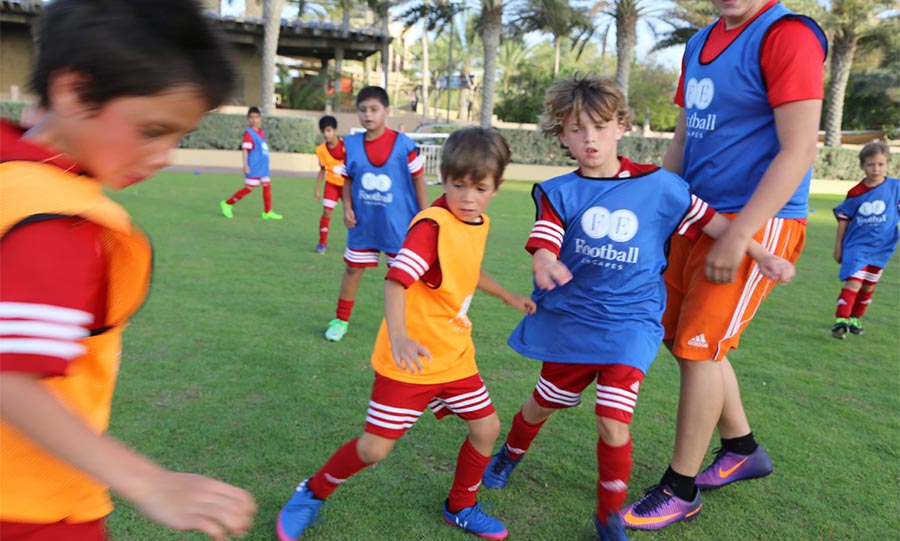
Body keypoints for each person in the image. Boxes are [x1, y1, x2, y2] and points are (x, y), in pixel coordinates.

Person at [479, 73, 796, 541]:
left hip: (632, 323)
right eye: (576, 129)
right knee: (543, 403)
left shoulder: (661, 186)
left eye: (600, 126)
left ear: (621, 126)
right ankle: (510, 453)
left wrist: (762, 254)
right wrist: (545, 259)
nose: (589, 139)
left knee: (613, 420)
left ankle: (608, 515)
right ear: (561, 136)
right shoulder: (558, 192)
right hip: (573, 321)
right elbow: (545, 238)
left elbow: (714, 224)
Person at [0, 1, 257, 540]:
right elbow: (10, 380)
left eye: (178, 136)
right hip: (33, 511)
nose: (165, 155)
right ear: (74, 92)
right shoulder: (57, 223)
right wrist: (147, 482)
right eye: (152, 130)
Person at [620, 0, 826, 530]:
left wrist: (740, 235)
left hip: (757, 220)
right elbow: (683, 140)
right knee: (681, 339)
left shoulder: (787, 35)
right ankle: (741, 449)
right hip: (700, 215)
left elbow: (800, 150)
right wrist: (658, 213)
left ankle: (680, 488)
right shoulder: (698, 43)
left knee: (699, 347)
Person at [277, 127, 536, 541]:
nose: (468, 198)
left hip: (453, 355)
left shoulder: (477, 221)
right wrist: (398, 337)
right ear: (443, 179)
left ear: (497, 187)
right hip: (409, 361)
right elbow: (396, 282)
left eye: (480, 188)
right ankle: (312, 491)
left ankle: (460, 506)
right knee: (373, 448)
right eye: (458, 185)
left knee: (486, 427)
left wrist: (507, 295)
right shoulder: (430, 228)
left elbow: (466, 268)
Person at [323, 86, 429, 342]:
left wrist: (425, 215)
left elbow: (418, 178)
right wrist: (347, 207)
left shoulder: (403, 144)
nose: (368, 115)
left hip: (398, 224)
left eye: (374, 109)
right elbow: (348, 179)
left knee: (402, 277)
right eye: (363, 110)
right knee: (352, 269)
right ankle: (340, 320)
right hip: (364, 223)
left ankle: (408, 326)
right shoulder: (351, 145)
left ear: (387, 111)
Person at [830, 141, 899, 339]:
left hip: (882, 248)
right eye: (871, 165)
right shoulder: (856, 193)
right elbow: (844, 219)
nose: (876, 169)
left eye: (880, 164)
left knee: (868, 286)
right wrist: (838, 247)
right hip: (857, 247)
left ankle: (855, 318)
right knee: (854, 283)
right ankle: (841, 320)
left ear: (887, 164)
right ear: (862, 166)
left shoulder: (895, 187)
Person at [219, 106, 284, 220]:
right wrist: (245, 165)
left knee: (267, 186)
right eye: (252, 117)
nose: (254, 120)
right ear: (248, 119)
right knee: (249, 188)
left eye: (256, 117)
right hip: (254, 166)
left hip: (263, 166)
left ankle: (267, 212)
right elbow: (245, 150)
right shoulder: (248, 133)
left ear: (260, 118)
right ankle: (228, 204)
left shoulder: (261, 132)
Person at [313, 115, 346, 254]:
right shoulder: (321, 150)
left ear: (335, 130)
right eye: (323, 131)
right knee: (326, 212)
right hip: (331, 184)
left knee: (352, 215)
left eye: (328, 130)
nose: (326, 134)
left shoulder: (347, 146)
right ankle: (322, 243)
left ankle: (357, 245)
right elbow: (322, 170)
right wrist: (317, 189)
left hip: (347, 186)